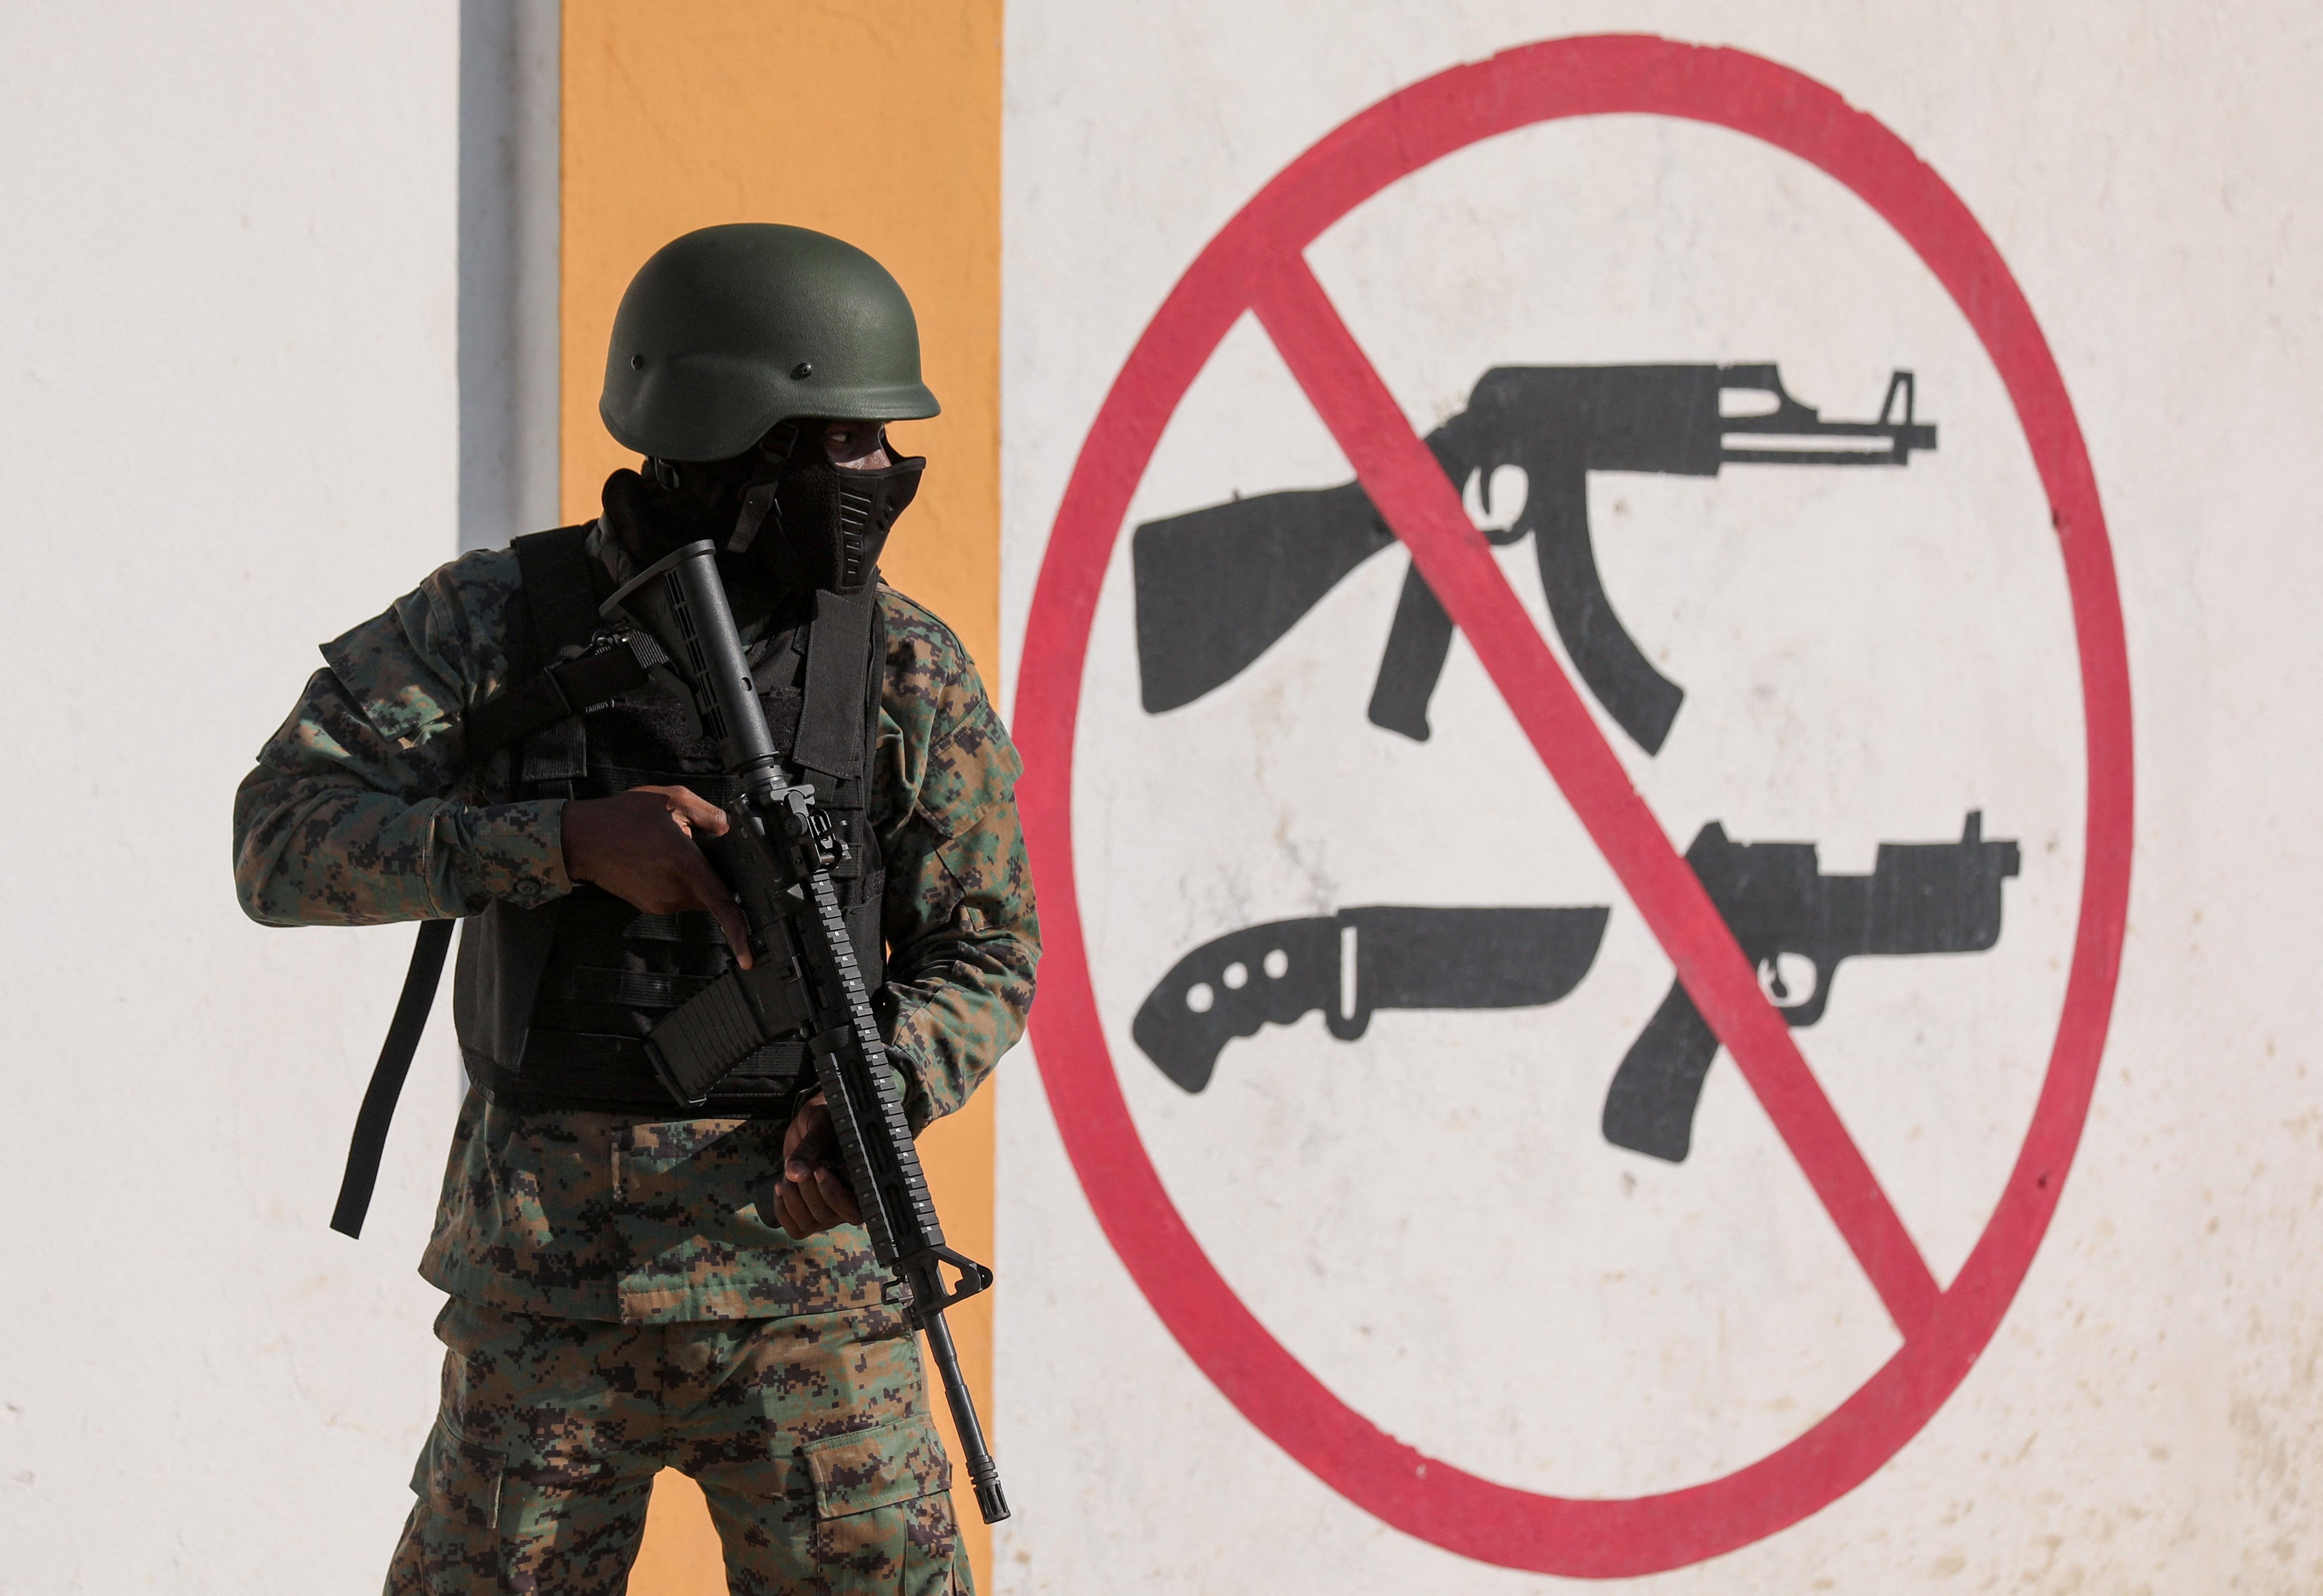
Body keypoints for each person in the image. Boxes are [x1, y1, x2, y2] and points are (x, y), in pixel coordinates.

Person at [232, 223, 1037, 1595]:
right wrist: (558, 842)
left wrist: (884, 1086)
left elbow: (989, 944)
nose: (881, 476)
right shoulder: (496, 625)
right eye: (843, 443)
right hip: (549, 1299)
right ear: (733, 435)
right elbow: (283, 841)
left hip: (813, 1298)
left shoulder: (898, 663)